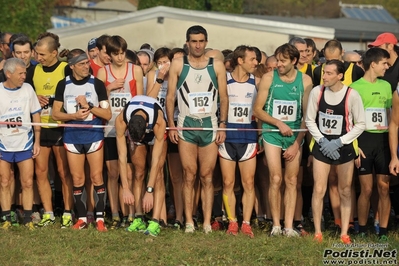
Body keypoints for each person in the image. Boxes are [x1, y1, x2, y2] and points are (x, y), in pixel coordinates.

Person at [166, 25, 228, 233]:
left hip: (209, 125)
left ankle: (207, 222)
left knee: (207, 175)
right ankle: (189, 221)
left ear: (206, 42)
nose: (198, 45)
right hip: (186, 124)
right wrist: (172, 125)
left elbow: (224, 97)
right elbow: (170, 97)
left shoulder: (216, 65)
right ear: (187, 43)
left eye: (201, 41)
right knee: (189, 174)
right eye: (194, 41)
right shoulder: (178, 63)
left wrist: (222, 125)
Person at [253, 43, 312, 237]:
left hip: (295, 135)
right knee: (276, 178)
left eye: (283, 61)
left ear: (294, 61)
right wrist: (278, 123)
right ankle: (276, 225)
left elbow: (306, 116)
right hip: (272, 132)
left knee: (292, 180)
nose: (278, 64)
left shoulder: (305, 81)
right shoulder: (269, 78)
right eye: (277, 60)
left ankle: (288, 226)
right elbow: (258, 110)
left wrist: (297, 143)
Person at [305, 59, 366, 244]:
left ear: (340, 76)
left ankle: (344, 233)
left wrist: (339, 142)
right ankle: (317, 232)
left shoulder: (352, 95)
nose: (325, 76)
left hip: (344, 146)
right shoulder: (317, 91)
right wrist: (323, 141)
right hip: (322, 146)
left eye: (330, 73)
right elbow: (309, 120)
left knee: (345, 190)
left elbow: (360, 124)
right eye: (324, 72)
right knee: (319, 188)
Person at [52, 49, 111, 231]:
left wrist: (89, 106)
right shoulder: (63, 84)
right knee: (77, 179)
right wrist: (74, 116)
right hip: (72, 136)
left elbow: (107, 114)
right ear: (72, 67)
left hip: (93, 135)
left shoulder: (97, 84)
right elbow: (55, 114)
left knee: (96, 176)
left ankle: (100, 219)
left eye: (87, 63)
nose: (87, 66)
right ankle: (82, 218)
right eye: (82, 64)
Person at [26, 32, 74, 228]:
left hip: (60, 127)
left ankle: (68, 211)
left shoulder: (65, 69)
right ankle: (48, 212)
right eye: (37, 54)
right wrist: (35, 99)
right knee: (41, 172)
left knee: (63, 172)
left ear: (55, 53)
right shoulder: (34, 70)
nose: (38, 58)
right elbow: (26, 94)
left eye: (42, 55)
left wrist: (54, 101)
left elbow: (73, 95)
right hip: (39, 126)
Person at [96, 35, 143, 230]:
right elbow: (100, 102)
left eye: (123, 53)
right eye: (116, 54)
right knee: (113, 173)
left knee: (130, 173)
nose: (120, 57)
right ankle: (115, 213)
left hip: (129, 129)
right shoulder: (102, 72)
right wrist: (108, 88)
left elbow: (140, 99)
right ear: (109, 54)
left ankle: (130, 213)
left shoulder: (136, 70)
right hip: (110, 129)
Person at [351, 48, 392, 241]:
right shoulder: (355, 87)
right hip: (364, 141)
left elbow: (391, 114)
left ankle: (383, 230)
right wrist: (354, 146)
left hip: (383, 140)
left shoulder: (386, 86)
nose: (387, 66)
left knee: (383, 187)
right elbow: (348, 119)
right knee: (366, 189)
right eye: (384, 63)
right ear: (373, 64)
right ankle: (362, 228)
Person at [219, 45, 259, 238]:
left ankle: (246, 223)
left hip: (248, 137)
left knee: (248, 183)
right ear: (240, 60)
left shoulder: (256, 81)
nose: (256, 62)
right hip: (227, 138)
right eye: (252, 59)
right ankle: (232, 221)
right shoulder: (224, 80)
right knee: (228, 182)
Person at [116, 95, 167, 237]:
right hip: (137, 130)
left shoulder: (158, 121)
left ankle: (155, 221)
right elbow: (121, 157)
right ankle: (139, 218)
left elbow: (156, 161)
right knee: (138, 173)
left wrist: (149, 191)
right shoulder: (121, 120)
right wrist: (126, 188)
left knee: (158, 175)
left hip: (155, 134)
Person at [0, 58, 41, 230]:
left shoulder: (28, 89)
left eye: (25, 72)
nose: (24, 76)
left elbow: (36, 116)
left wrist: (37, 141)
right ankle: (6, 219)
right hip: (4, 143)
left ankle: (27, 219)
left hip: (25, 142)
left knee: (27, 182)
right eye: (21, 73)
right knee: (4, 181)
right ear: (8, 74)